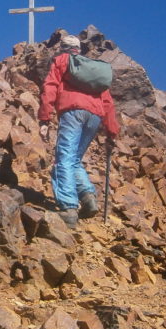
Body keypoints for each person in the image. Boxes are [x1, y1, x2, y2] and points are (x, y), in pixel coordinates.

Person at [38, 33, 119, 226]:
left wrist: (44, 118)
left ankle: (68, 208)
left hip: (73, 111)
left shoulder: (62, 60)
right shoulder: (93, 71)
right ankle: (88, 197)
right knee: (74, 159)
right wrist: (111, 133)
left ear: (63, 48)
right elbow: (108, 102)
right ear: (79, 49)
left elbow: (49, 87)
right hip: (95, 117)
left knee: (64, 157)